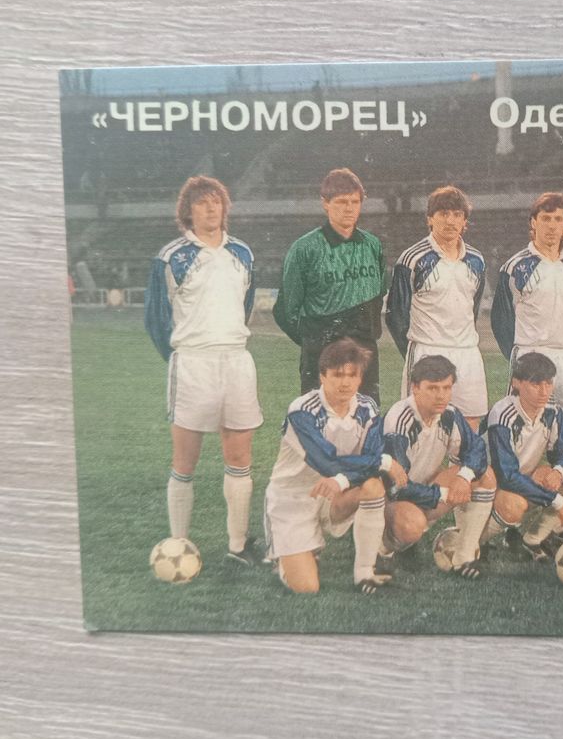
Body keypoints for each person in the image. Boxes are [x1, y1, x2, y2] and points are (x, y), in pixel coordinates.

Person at [144, 176, 262, 565]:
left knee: (239, 457)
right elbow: (156, 319)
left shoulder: (242, 252)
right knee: (185, 461)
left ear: (225, 208)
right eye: (202, 203)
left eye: (216, 202)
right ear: (187, 211)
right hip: (193, 363)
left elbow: (244, 306)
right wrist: (182, 356)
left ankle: (238, 545)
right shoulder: (171, 257)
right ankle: (178, 544)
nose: (211, 208)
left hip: (236, 361)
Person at [263, 339, 400, 595]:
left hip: (335, 492)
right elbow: (326, 461)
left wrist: (344, 479)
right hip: (293, 498)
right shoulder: (302, 410)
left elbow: (369, 458)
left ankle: (364, 573)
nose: (345, 382)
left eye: (352, 375)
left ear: (360, 379)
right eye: (337, 375)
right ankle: (285, 556)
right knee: (307, 588)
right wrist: (384, 461)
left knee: (373, 486)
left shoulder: (367, 408)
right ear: (322, 376)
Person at [274, 168, 388, 401]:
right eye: (341, 202)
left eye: (355, 201)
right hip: (321, 355)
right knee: (319, 416)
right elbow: (285, 310)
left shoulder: (372, 245)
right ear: (325, 203)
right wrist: (314, 342)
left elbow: (379, 295)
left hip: (365, 355)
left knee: (366, 417)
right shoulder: (305, 248)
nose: (349, 208)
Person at [380, 355, 496, 578]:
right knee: (412, 524)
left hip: (422, 489)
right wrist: (445, 494)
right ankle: (382, 550)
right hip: (388, 499)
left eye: (446, 388)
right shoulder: (399, 419)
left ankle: (464, 558)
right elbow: (396, 487)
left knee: (485, 476)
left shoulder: (449, 414)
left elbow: (477, 449)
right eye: (432, 388)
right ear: (415, 388)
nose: (441, 395)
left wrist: (464, 476)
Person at [385, 186, 488, 422]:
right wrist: (417, 351)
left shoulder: (476, 260)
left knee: (470, 423)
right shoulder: (413, 258)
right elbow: (396, 315)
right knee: (422, 425)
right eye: (443, 214)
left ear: (464, 221)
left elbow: (472, 309)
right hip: (427, 350)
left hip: (467, 353)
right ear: (430, 219)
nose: (450, 221)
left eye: (457, 215)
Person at [490, 192, 563, 418]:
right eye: (545, 219)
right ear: (533, 222)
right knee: (526, 422)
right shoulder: (516, 267)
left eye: (558, 219)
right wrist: (521, 356)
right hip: (532, 354)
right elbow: (501, 319)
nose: (552, 226)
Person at [485, 351, 563, 562]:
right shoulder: (502, 414)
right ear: (516, 383)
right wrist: (557, 501)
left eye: (548, 383)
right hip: (489, 485)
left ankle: (533, 539)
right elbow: (506, 475)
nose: (544, 391)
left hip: (521, 478)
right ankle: (473, 542)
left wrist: (558, 472)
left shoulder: (552, 411)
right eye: (535, 384)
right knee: (514, 505)